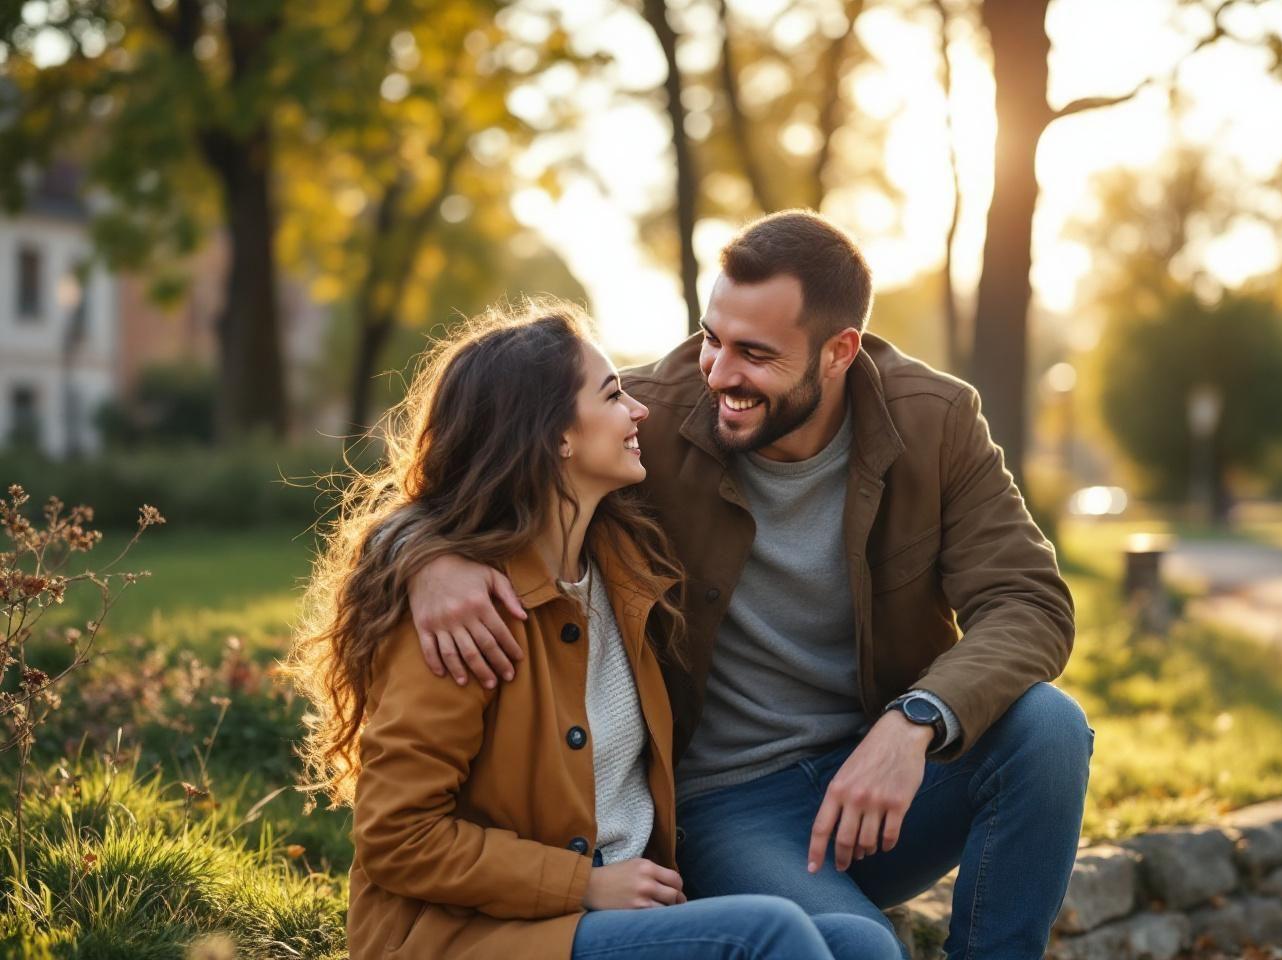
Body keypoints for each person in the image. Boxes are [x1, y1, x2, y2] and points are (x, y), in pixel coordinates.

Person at [406, 213, 1094, 960]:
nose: (720, 373)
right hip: (729, 805)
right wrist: (422, 555)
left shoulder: (936, 420)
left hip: (878, 777)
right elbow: (471, 469)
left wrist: (915, 722)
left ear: (839, 353)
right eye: (713, 338)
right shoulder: (648, 417)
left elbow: (1031, 602)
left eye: (755, 354)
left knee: (1048, 728)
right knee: (862, 949)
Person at [287, 302, 900, 960]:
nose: (638, 411)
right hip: (474, 939)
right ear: (554, 435)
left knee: (861, 943)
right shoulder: (463, 615)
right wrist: (581, 885)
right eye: (612, 396)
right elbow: (395, 838)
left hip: (620, 916)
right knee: (766, 936)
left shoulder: (626, 564)